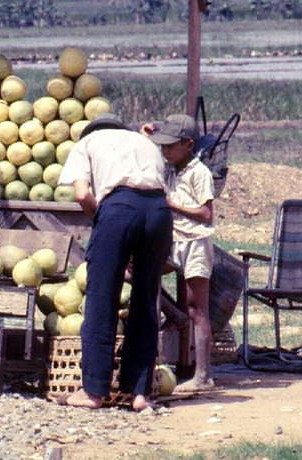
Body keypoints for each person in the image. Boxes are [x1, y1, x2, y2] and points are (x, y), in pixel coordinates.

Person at [57, 113, 172, 411]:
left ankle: (93, 391)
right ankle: (138, 393)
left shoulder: (87, 143)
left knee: (102, 298)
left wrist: (107, 221)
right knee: (146, 299)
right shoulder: (142, 142)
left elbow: (83, 195)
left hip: (119, 207)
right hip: (159, 212)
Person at [142, 113, 216, 392]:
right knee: (136, 273)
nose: (165, 151)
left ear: (188, 145)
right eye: (163, 146)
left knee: (198, 309)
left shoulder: (200, 173)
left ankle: (203, 376)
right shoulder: (172, 168)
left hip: (195, 242)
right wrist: (147, 133)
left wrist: (172, 205)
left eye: (171, 146)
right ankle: (174, 314)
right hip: (174, 242)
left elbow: (206, 214)